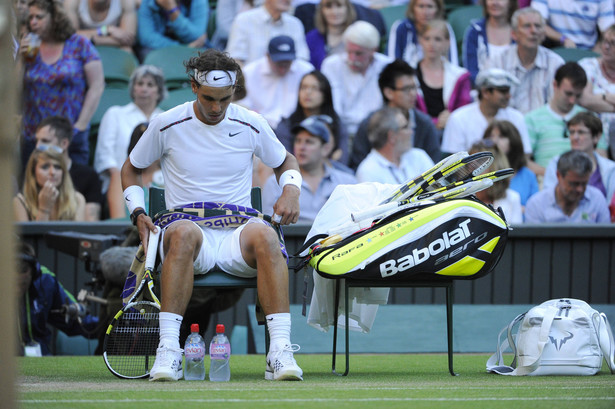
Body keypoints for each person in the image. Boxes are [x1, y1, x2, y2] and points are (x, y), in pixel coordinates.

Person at [120, 48, 304, 381]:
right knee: (184, 231)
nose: (217, 107)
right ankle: (169, 352)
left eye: (225, 98)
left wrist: (290, 190)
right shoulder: (166, 123)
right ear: (193, 86)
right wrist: (138, 212)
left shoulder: (251, 121)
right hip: (190, 237)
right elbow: (132, 169)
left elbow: (285, 161)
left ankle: (279, 351)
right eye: (209, 98)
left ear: (235, 92)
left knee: (266, 234)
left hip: (237, 236)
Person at [19, 0, 104, 168]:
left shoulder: (78, 44)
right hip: (34, 137)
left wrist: (81, 123)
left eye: (39, 17)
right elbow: (14, 88)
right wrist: (20, 61)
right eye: (30, 18)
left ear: (55, 17)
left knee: (73, 190)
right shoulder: (30, 47)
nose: (33, 22)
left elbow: (97, 85)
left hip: (70, 135)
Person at [93, 65, 167, 218]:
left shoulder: (166, 118)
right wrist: (123, 179)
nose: (144, 89)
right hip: (119, 184)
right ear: (133, 88)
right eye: (140, 84)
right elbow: (104, 157)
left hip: (159, 182)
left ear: (159, 91)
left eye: (150, 85)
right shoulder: (115, 114)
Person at [350, 59, 440, 170]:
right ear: (388, 92)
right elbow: (358, 165)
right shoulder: (369, 124)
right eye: (407, 89)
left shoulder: (424, 123)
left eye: (414, 88)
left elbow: (436, 167)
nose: (413, 94)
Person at [263, 115, 357, 222]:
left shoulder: (347, 182)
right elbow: (268, 225)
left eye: (309, 142)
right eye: (298, 141)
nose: (301, 147)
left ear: (325, 149)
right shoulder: (275, 183)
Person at [525, 62, 609, 176]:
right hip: (546, 181)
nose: (572, 100)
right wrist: (558, 176)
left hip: (586, 180)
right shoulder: (532, 119)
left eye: (578, 95)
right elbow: (524, 162)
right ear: (555, 85)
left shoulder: (591, 118)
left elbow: (602, 156)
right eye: (568, 94)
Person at [17, 241, 99, 356]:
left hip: (40, 357)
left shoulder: (45, 281)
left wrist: (112, 325)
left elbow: (77, 322)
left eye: (22, 269)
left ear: (33, 271)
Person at [484, 7, 564, 114]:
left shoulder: (556, 64)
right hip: (506, 126)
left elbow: (558, 108)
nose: (533, 31)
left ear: (543, 34)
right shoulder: (497, 62)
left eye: (538, 26)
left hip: (542, 127)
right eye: (527, 26)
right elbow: (486, 102)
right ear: (514, 34)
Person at [321, 20, 392, 135]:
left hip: (378, 132)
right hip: (341, 132)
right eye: (349, 52)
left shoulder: (388, 66)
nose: (352, 59)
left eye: (359, 54)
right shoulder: (331, 65)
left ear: (374, 50)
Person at [441, 68, 532, 157]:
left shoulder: (516, 117)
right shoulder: (458, 118)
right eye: (503, 91)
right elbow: (454, 160)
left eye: (508, 91)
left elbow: (524, 155)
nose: (508, 96)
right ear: (485, 92)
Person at [34, 116, 103, 221]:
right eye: (37, 141)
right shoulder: (33, 172)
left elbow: (91, 225)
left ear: (64, 144)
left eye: (45, 141)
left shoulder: (88, 176)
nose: (38, 146)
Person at [275, 70, 351, 165]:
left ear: (325, 94)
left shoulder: (337, 125)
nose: (308, 92)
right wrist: (328, 160)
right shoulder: (287, 125)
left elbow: (342, 161)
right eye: (304, 88)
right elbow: (285, 161)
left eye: (315, 88)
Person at [238, 35, 314, 128]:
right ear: (267, 56)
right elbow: (242, 106)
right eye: (278, 63)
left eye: (287, 63)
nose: (282, 68)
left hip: (296, 127)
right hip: (258, 126)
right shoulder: (250, 72)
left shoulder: (306, 70)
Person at [543, 112, 615, 203]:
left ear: (596, 137)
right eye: (572, 132)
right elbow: (548, 198)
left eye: (581, 132)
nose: (575, 137)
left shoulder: (611, 168)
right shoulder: (556, 163)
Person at [415, 19, 472, 132]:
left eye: (438, 39)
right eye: (427, 38)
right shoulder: (409, 74)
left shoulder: (460, 75)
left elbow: (464, 109)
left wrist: (452, 118)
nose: (432, 44)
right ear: (420, 40)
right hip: (419, 132)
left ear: (448, 42)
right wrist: (434, 123)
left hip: (451, 131)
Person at [525, 150, 610, 223]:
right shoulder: (537, 205)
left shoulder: (597, 199)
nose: (580, 189)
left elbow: (607, 238)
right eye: (574, 184)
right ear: (558, 176)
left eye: (584, 184)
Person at [356, 106, 434, 183]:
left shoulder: (419, 156)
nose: (411, 132)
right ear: (392, 136)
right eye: (405, 127)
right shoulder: (368, 171)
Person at [225, 0, 309, 66]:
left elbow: (302, 61)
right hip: (250, 84)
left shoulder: (295, 24)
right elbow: (235, 61)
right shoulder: (243, 20)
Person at [14, 147, 86, 221]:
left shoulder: (77, 199)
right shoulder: (20, 201)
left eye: (57, 167)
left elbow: (77, 232)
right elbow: (36, 233)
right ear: (33, 172)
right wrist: (44, 209)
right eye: (45, 167)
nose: (52, 172)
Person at [483, 119, 538, 209]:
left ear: (513, 142)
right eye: (491, 136)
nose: (495, 141)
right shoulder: (481, 174)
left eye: (501, 136)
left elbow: (535, 210)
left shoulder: (528, 175)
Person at [578, 24, 615, 156]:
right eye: (604, 41)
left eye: (612, 43)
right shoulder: (589, 65)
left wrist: (601, 97)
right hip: (593, 134)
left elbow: (592, 99)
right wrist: (609, 97)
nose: (606, 47)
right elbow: (585, 100)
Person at [387, 0, 458, 68]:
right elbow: (393, 64)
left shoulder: (445, 28)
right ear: (413, 8)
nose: (425, 12)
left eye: (430, 6)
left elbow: (453, 63)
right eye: (421, 6)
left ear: (438, 9)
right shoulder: (401, 27)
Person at [462, 0, 517, 85]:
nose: (495, 2)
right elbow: (471, 72)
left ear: (511, 2)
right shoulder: (474, 32)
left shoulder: (520, 32)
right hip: (483, 92)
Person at [469, 140, 523, 224]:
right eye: (471, 163)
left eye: (479, 163)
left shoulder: (512, 198)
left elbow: (515, 234)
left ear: (495, 167)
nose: (472, 168)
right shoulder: (460, 199)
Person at [136, 0, 210, 61]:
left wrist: (173, 11)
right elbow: (147, 38)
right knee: (147, 53)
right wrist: (184, 48)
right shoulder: (147, 2)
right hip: (162, 49)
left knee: (205, 53)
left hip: (193, 47)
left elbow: (196, 36)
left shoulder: (198, 1)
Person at [530, 0, 615, 50]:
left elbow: (609, 30)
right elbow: (537, 23)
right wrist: (563, 39)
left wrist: (600, 48)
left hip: (589, 50)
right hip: (555, 49)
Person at [64, 0, 137, 52]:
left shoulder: (126, 1)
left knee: (127, 49)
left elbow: (129, 39)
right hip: (82, 45)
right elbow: (70, 36)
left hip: (112, 46)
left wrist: (93, 39)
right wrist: (107, 30)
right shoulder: (72, 2)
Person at [305, 0, 357, 70]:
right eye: (328, 7)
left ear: (347, 8)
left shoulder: (358, 35)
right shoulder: (312, 38)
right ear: (321, 10)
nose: (334, 12)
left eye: (339, 6)